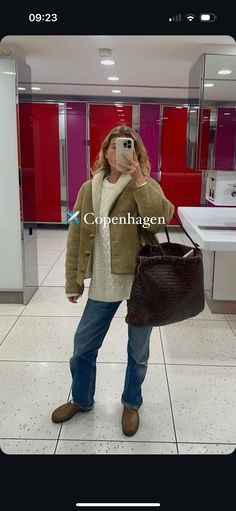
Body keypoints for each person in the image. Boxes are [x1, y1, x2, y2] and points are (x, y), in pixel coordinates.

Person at [51, 125, 174, 436]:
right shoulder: (86, 189)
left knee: (138, 351)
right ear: (105, 152)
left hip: (140, 281)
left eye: (127, 147)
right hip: (104, 283)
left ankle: (131, 403)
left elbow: (158, 221)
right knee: (83, 347)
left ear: (136, 152)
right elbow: (76, 231)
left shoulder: (144, 184)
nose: (119, 153)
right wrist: (72, 282)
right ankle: (81, 399)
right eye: (113, 147)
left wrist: (140, 181)